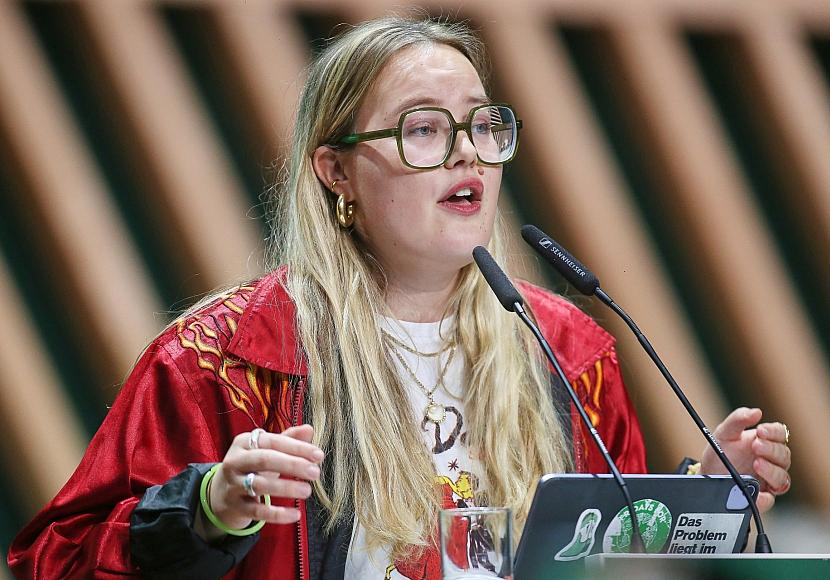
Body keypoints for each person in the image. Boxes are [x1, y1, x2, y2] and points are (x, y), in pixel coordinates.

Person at [8, 16, 791, 579]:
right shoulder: (223, 360)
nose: (467, 154)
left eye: (482, 126)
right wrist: (206, 509)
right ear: (336, 172)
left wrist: (695, 506)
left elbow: (601, 563)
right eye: (423, 130)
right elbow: (52, 562)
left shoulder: (568, 350)